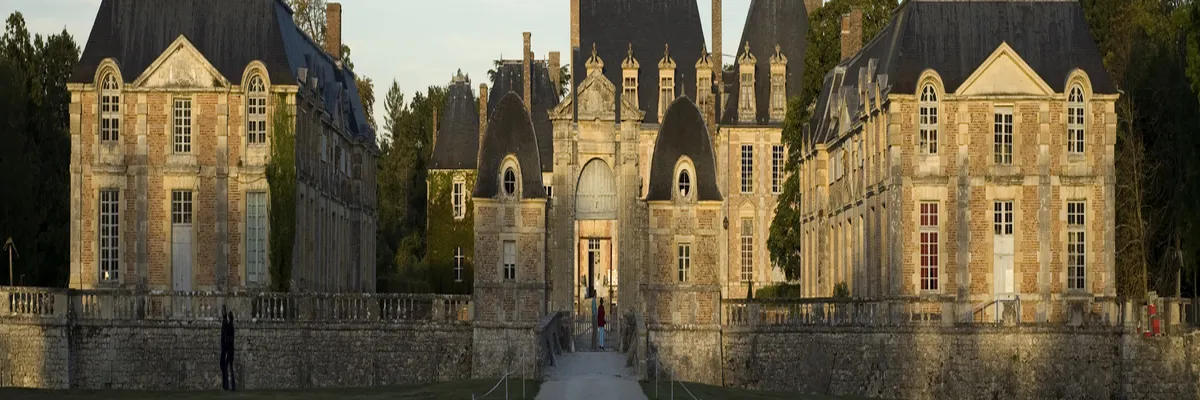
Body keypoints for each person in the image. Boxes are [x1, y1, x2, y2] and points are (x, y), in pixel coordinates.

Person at [220, 307, 231, 391]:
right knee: (223, 366)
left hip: (225, 348)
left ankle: (225, 385)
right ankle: (225, 385)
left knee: (223, 366)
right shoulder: (224, 322)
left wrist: (226, 348)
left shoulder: (225, 323)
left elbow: (226, 336)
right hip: (224, 348)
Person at [227, 311, 238, 391]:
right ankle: (232, 386)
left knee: (228, 366)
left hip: (230, 350)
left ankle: (229, 385)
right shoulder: (231, 325)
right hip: (231, 349)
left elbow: (230, 338)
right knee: (230, 367)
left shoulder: (230, 326)